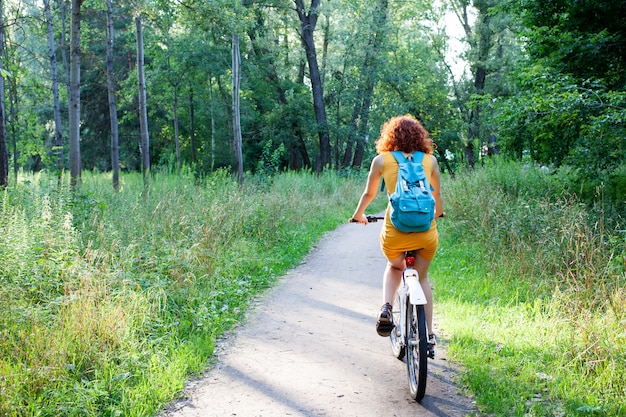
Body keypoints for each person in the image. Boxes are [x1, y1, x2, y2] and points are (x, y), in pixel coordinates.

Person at [350, 115, 444, 355]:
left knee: (394, 267)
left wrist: (359, 215)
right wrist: (438, 215)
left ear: (389, 136)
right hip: (425, 235)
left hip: (396, 233)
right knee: (422, 279)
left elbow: (368, 194)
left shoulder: (381, 160)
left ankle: (386, 308)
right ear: (419, 137)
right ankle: (429, 335)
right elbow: (437, 199)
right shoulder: (430, 161)